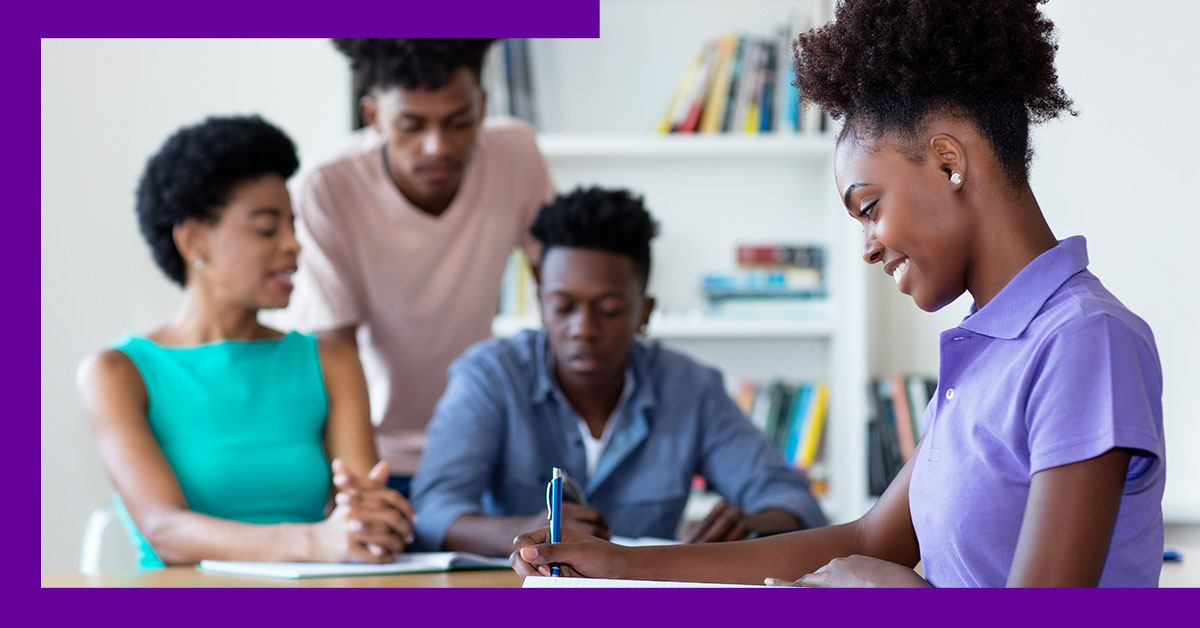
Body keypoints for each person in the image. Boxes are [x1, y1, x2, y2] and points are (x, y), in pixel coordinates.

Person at [511, 0, 1165, 587]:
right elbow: (867, 538)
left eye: (869, 206)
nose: (869, 245)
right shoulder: (991, 348)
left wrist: (896, 597)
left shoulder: (1081, 339)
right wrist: (621, 562)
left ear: (948, 161)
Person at [410, 187, 826, 557]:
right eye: (562, 307)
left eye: (609, 310)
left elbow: (794, 500)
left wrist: (753, 526)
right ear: (540, 302)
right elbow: (432, 512)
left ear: (644, 312)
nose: (584, 330)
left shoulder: (690, 388)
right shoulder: (490, 377)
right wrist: (525, 534)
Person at [76, 116, 414, 568]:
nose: (294, 246)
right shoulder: (117, 373)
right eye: (266, 228)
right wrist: (315, 542)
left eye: (292, 226)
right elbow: (166, 532)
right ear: (194, 238)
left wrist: (372, 521)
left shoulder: (330, 360)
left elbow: (360, 509)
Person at [280, 39, 556, 497]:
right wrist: (369, 492)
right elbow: (335, 349)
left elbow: (562, 285)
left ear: (483, 105)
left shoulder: (516, 155)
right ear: (373, 118)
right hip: (378, 453)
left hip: (487, 447)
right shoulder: (328, 186)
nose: (437, 147)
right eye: (411, 125)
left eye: (460, 122)